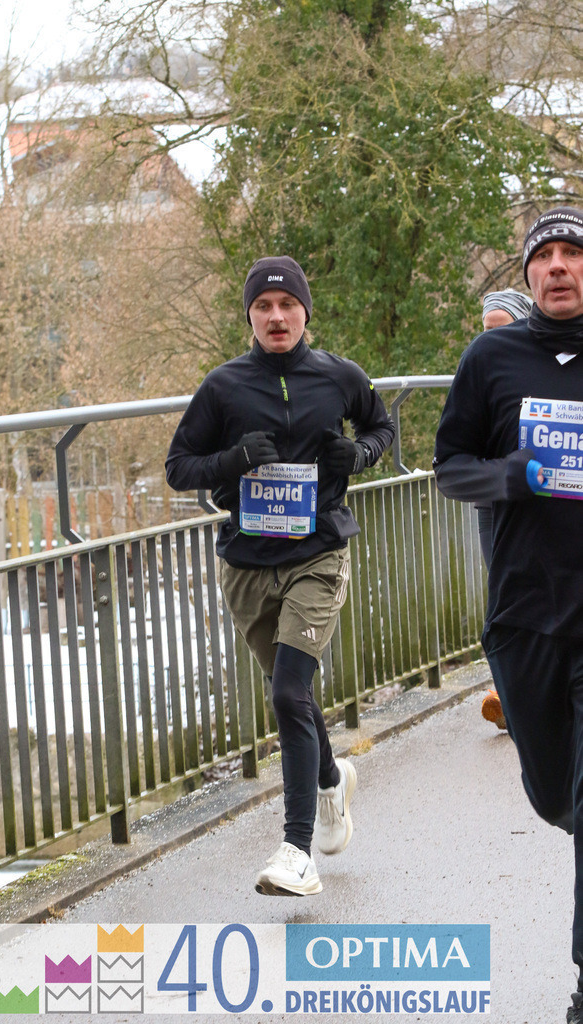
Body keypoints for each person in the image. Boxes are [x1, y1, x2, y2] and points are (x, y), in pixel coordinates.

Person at [165, 256, 395, 897]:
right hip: (246, 563)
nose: (276, 317)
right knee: (289, 693)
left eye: (287, 305)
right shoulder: (224, 386)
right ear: (249, 317)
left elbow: (381, 426)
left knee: (289, 692)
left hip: (318, 551)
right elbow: (180, 467)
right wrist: (235, 460)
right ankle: (331, 777)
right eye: (263, 308)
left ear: (304, 313)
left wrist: (363, 452)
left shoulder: (339, 377)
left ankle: (296, 851)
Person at [433, 207, 583, 1024]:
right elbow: (448, 469)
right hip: (523, 611)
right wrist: (507, 478)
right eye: (544, 256)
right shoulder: (490, 358)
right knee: (552, 796)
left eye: (571, 253)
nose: (558, 266)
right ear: (527, 276)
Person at [477, 289, 534, 732]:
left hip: (541, 508)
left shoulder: (545, 370)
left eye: (502, 327)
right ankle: (507, 692)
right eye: (486, 329)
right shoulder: (476, 373)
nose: (492, 337)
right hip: (492, 505)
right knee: (502, 594)